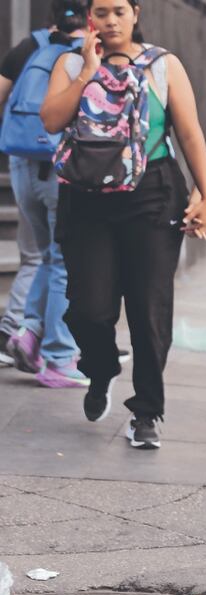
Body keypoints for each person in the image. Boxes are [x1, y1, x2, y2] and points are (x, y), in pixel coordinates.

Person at [41, 0, 206, 448]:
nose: (111, 20)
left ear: (136, 13)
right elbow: (52, 120)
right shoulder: (70, 63)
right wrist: (87, 71)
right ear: (90, 17)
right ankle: (100, 369)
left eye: (119, 10)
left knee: (149, 307)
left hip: (151, 192)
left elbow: (190, 132)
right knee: (89, 308)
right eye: (101, 12)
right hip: (86, 197)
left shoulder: (162, 65)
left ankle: (147, 412)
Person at [0, 0, 86, 386]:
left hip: (21, 164)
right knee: (64, 260)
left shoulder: (29, 46)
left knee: (43, 256)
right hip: (60, 167)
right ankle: (59, 355)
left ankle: (28, 331)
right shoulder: (87, 54)